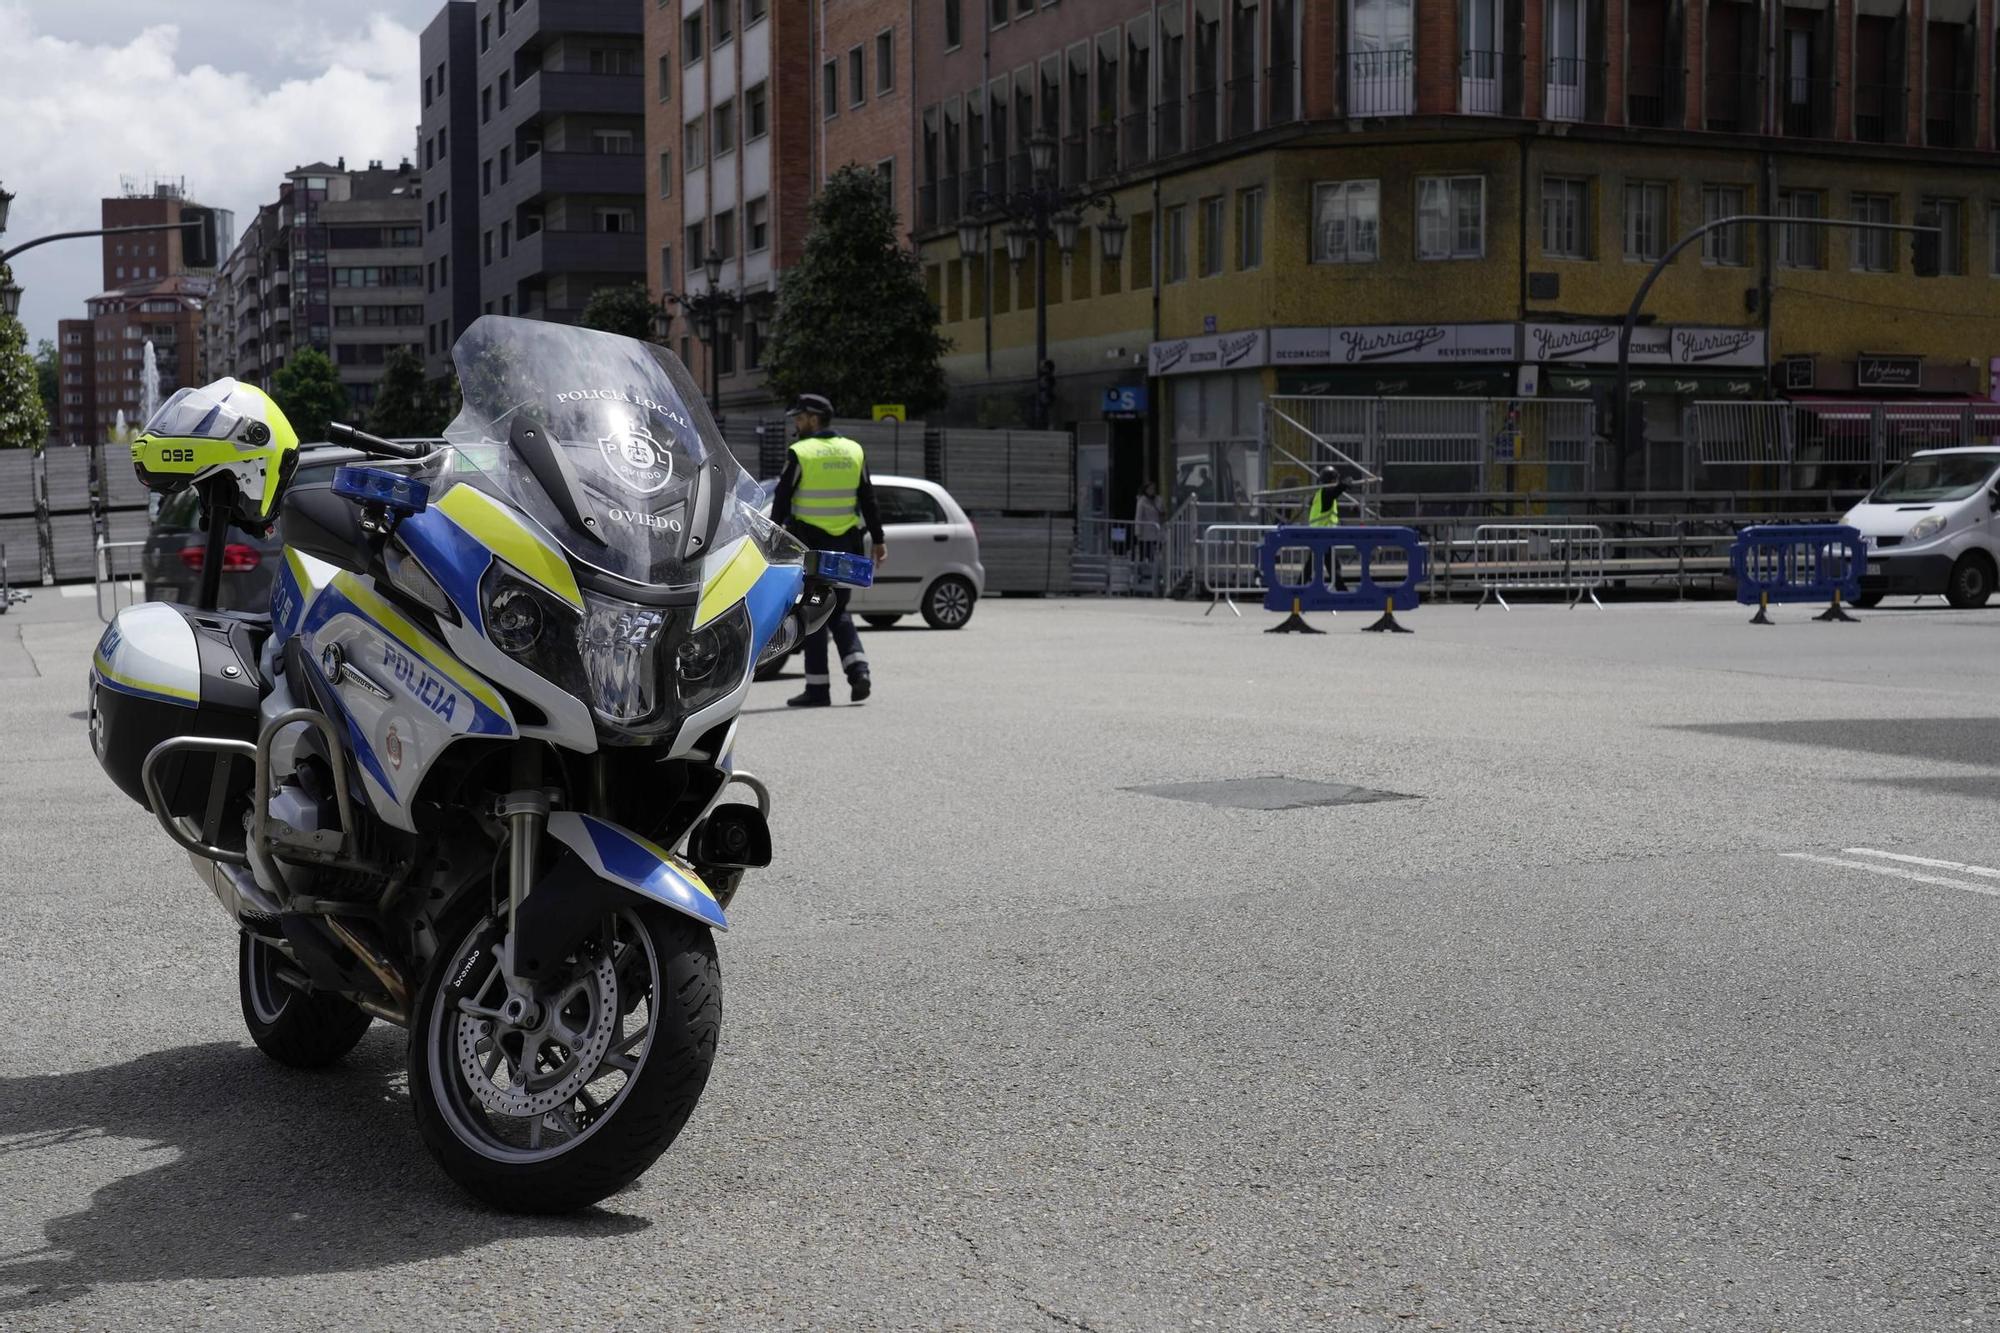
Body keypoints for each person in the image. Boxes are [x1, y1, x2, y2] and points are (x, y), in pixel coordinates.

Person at [770, 393, 888, 707]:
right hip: (848, 545)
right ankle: (858, 670)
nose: (796, 423)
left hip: (813, 548)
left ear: (813, 418)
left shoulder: (801, 452)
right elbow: (868, 498)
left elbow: (781, 498)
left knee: (814, 611)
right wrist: (878, 540)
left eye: (799, 418)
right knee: (839, 611)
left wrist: (769, 538)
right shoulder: (854, 451)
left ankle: (818, 689)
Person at [1303, 465, 1349, 591]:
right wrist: (1343, 486)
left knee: (1312, 566)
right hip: (1323, 536)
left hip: (1320, 536)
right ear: (1331, 481)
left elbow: (1332, 496)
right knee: (1333, 567)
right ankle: (1343, 592)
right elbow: (1334, 493)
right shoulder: (1325, 494)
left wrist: (1342, 486)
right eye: (1335, 480)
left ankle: (1297, 589)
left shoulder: (1319, 495)